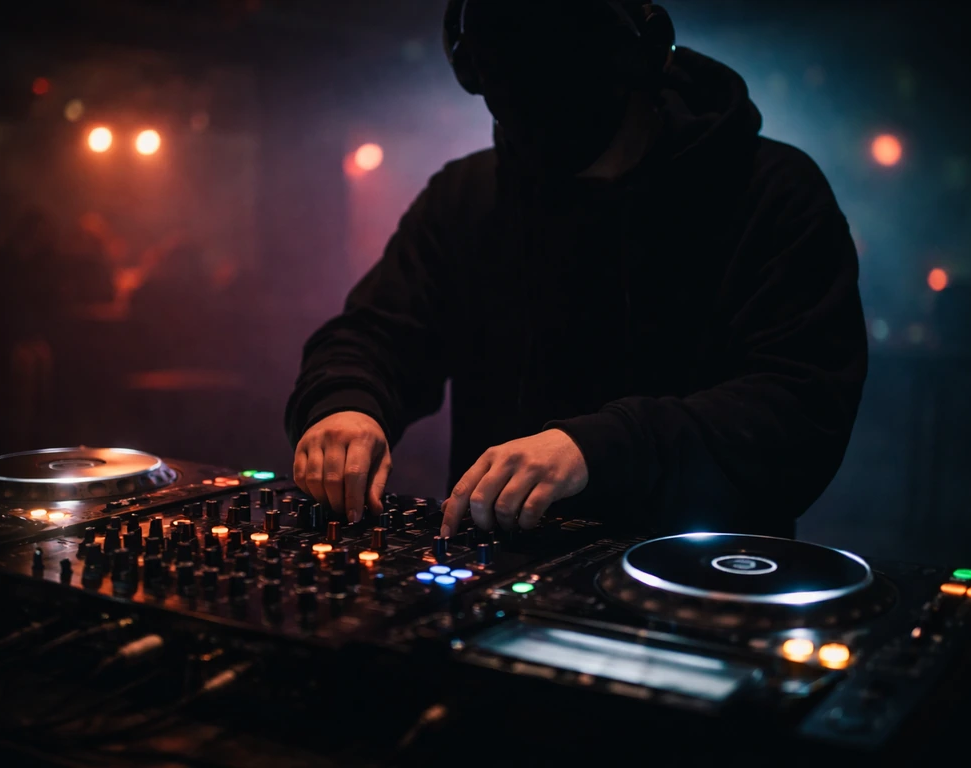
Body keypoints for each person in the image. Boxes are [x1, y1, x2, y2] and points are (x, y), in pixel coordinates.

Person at [285, 0, 868, 541]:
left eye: (556, 76)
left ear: (638, 55)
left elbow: (798, 410)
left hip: (705, 587)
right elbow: (375, 334)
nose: (535, 111)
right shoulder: (465, 197)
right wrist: (346, 404)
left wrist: (595, 450)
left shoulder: (773, 194)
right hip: (494, 577)